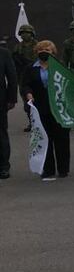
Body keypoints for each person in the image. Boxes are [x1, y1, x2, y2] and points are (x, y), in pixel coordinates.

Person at [21, 41, 69, 179]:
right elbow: (25, 85)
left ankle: (63, 169)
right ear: (36, 52)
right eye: (41, 49)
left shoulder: (60, 66)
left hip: (58, 108)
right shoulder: (30, 68)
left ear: (53, 52)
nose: (44, 51)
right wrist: (28, 94)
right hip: (40, 108)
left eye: (47, 49)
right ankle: (48, 169)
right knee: (44, 137)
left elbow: (67, 83)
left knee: (61, 138)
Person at [12, 23, 37, 132]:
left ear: (31, 34)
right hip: (23, 77)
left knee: (39, 100)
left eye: (27, 33)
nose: (25, 35)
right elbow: (13, 62)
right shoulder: (18, 47)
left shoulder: (38, 46)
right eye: (23, 33)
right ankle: (32, 122)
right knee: (27, 102)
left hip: (36, 75)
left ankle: (41, 122)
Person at [0, 41, 17, 179]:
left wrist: (12, 98)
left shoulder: (4, 53)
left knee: (1, 133)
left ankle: (3, 166)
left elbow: (12, 76)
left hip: (0, 100)